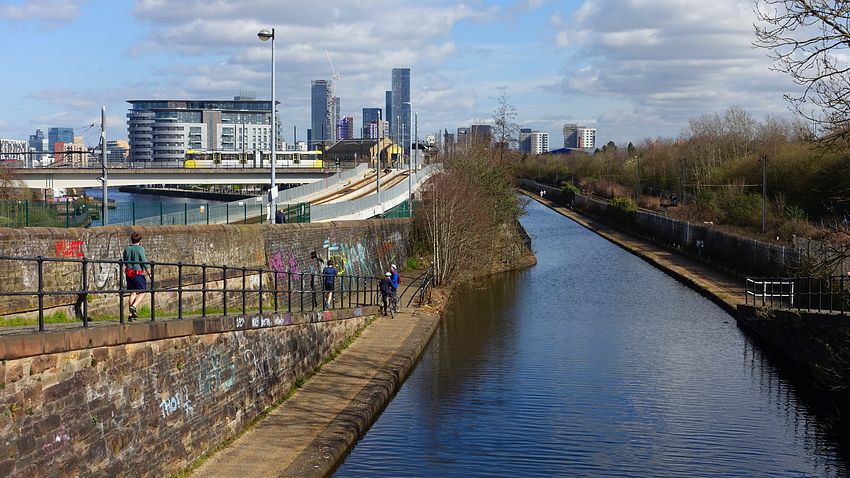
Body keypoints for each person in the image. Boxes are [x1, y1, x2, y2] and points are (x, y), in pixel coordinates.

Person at [122, 232, 150, 321]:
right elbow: (144, 261)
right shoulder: (140, 249)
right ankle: (134, 306)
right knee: (143, 291)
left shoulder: (127, 249)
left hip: (129, 273)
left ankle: (131, 315)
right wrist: (149, 272)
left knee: (133, 293)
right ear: (139, 240)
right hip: (138, 273)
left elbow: (125, 260)